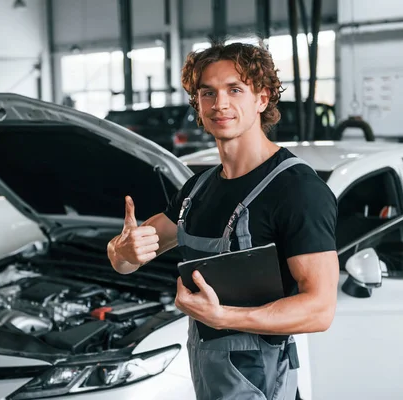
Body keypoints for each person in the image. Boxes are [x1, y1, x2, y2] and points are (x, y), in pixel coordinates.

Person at [107, 39, 339, 400]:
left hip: (262, 385)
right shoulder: (196, 189)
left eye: (235, 90)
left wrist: (224, 318)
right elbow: (125, 261)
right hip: (211, 383)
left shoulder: (297, 189)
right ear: (197, 105)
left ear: (262, 99)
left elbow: (319, 310)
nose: (220, 104)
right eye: (207, 93)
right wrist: (122, 251)